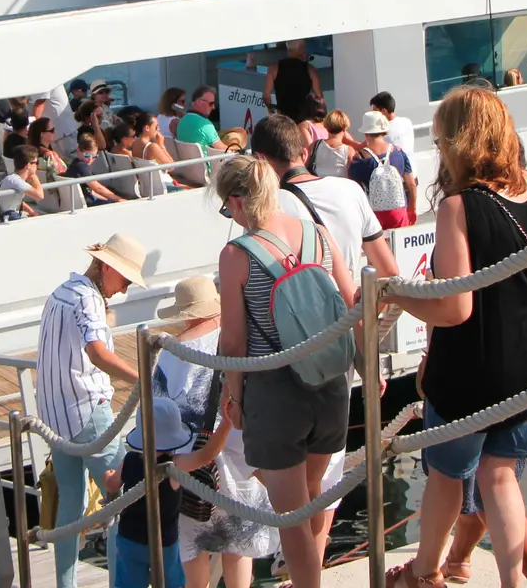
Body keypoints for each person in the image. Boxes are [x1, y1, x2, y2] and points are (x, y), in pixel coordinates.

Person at [390, 86, 527, 588]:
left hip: (473, 373)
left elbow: (455, 309)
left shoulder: (459, 208)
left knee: (448, 474)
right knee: (502, 476)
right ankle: (511, 583)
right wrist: (523, 312)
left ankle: (425, 572)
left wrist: (395, 296)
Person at [216, 156, 358, 588]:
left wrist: (234, 399)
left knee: (291, 516)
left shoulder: (236, 254)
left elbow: (235, 344)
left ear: (238, 202)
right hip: (331, 383)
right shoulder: (317, 234)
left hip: (276, 393)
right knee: (311, 496)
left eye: (227, 209)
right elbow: (352, 303)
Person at [151, 277, 279, 588]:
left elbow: (157, 417)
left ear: (186, 312)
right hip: (240, 460)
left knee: (192, 552)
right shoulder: (239, 341)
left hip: (191, 468)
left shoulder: (170, 352)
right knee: (239, 549)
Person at [38, 233, 147, 588]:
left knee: (71, 503)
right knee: (121, 498)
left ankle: (65, 583)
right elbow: (97, 352)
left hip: (55, 415)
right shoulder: (88, 299)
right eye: (125, 278)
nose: (125, 288)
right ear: (106, 266)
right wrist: (142, 379)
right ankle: (122, 582)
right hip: (87, 409)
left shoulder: (61, 292)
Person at [251, 113, 397, 291]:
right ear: (304, 154)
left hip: (302, 316)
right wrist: (363, 314)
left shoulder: (266, 208)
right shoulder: (351, 190)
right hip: (350, 310)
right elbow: (389, 272)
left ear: (260, 160)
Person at [104, 396, 231, 588]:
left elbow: (113, 485)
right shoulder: (174, 467)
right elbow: (207, 455)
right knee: (171, 583)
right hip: (165, 544)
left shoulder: (129, 459)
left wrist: (108, 476)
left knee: (129, 583)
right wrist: (226, 425)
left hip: (130, 539)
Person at [348, 111, 419, 231]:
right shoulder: (398, 152)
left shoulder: (359, 158)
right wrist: (412, 209)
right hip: (399, 212)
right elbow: (411, 184)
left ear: (366, 134)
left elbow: (353, 190)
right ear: (384, 131)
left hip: (375, 215)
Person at [264, 40, 323, 123]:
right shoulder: (310, 69)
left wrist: (272, 110)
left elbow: (266, 96)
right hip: (304, 120)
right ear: (300, 49)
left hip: (284, 119)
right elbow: (319, 96)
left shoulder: (273, 68)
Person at [65, 132, 125, 205]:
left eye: (94, 156)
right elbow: (98, 188)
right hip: (84, 203)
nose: (90, 159)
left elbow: (91, 190)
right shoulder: (81, 166)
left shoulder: (75, 164)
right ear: (78, 151)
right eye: (86, 155)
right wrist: (119, 199)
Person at [0, 147, 46, 219]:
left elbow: (16, 201)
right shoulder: (16, 181)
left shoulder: (12, 179)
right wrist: (35, 177)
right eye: (36, 163)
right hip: (8, 218)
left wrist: (31, 212)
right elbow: (40, 196)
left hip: (9, 215)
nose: (37, 166)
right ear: (28, 165)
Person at [369, 92, 418, 158]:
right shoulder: (407, 122)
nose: (373, 114)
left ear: (384, 111)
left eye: (375, 111)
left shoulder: (383, 131)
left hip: (394, 167)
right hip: (411, 166)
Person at [310, 110, 353, 178]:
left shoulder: (315, 145)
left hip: (319, 185)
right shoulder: (349, 150)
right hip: (341, 186)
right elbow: (353, 173)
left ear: (326, 127)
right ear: (344, 129)